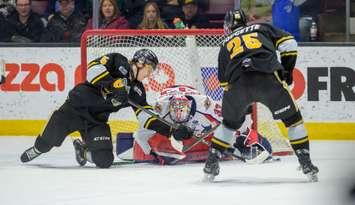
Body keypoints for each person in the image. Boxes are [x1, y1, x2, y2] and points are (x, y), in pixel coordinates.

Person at [20, 49, 191, 168]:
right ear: (139, 63)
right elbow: (92, 71)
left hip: (96, 121)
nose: (149, 74)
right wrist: (114, 84)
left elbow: (146, 116)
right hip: (74, 110)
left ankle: (82, 150)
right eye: (149, 69)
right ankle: (37, 148)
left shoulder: (137, 90)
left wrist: (171, 130)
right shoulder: (118, 61)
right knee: (45, 145)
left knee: (104, 160)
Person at [203, 9, 319, 182]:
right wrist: (287, 72)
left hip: (237, 86)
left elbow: (224, 83)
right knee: (293, 121)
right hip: (268, 79)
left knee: (228, 125)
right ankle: (306, 163)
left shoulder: (225, 43)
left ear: (228, 26)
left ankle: (211, 164)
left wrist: (242, 104)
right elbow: (290, 44)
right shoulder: (261, 27)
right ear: (245, 21)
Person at [119, 85, 273, 165]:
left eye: (183, 111)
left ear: (190, 109)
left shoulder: (205, 105)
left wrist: (244, 137)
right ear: (170, 109)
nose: (179, 116)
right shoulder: (160, 107)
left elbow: (235, 118)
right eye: (175, 112)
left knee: (228, 131)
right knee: (155, 141)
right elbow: (141, 133)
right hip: (169, 96)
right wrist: (151, 152)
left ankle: (255, 143)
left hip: (192, 95)